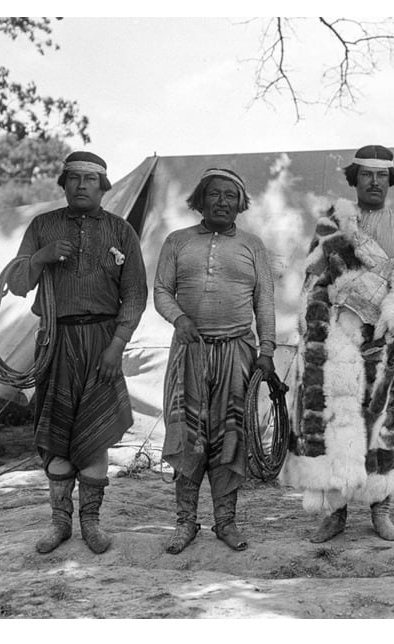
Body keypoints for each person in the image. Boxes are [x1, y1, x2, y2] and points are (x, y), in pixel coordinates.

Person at [280, 144, 394, 543]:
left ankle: (381, 510)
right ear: (354, 178)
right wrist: (316, 335)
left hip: (389, 341)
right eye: (365, 174)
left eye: (381, 175)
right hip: (338, 341)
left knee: (384, 423)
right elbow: (314, 283)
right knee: (338, 425)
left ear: (390, 180)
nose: (373, 181)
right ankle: (336, 514)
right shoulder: (333, 225)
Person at [7, 151, 147, 554]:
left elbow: (135, 293)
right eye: (74, 178)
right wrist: (40, 257)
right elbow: (17, 283)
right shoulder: (42, 226)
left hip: (104, 342)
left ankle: (91, 523)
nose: (82, 185)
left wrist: (117, 345)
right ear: (64, 183)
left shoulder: (121, 232)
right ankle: (59, 523)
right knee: (56, 437)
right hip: (56, 340)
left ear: (103, 187)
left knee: (96, 435)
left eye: (90, 179)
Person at [154, 167, 276, 554]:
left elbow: (265, 302)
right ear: (200, 199)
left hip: (237, 352)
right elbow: (161, 290)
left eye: (230, 195)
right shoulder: (177, 242)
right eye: (215, 194)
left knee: (230, 439)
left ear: (241, 203)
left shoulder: (253, 245)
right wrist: (180, 319)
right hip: (189, 350)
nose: (222, 201)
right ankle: (184, 524)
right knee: (188, 435)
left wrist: (267, 351)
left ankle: (225, 522)